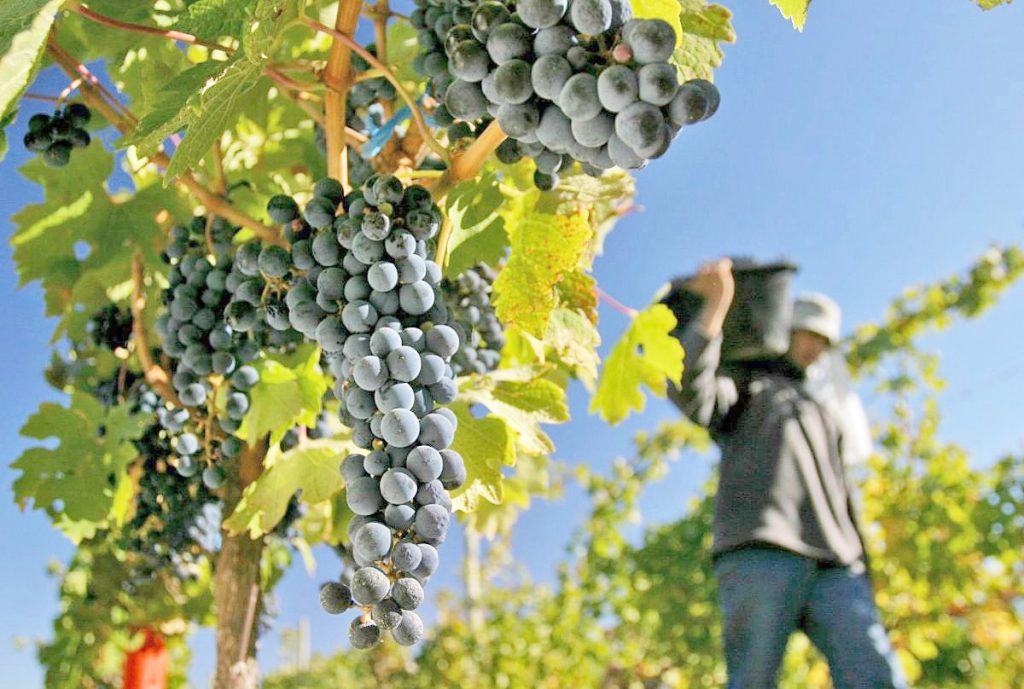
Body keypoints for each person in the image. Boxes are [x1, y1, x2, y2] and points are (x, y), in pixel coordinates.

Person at [668, 257, 908, 689]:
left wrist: (862, 564)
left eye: (824, 341)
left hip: (838, 563)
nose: (816, 347)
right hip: (761, 551)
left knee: (876, 676)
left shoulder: (824, 412)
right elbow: (692, 392)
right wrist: (714, 310)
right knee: (752, 680)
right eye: (809, 334)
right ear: (784, 329)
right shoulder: (748, 386)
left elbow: (843, 493)